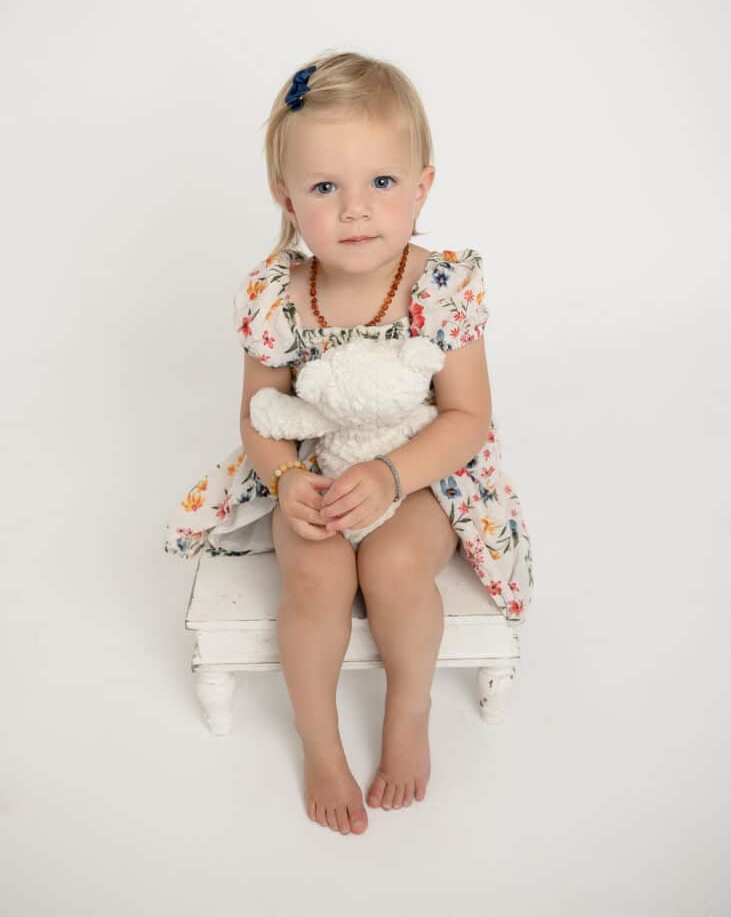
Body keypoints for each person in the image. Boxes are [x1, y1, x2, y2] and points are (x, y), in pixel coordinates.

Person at [163, 51, 534, 836]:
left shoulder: (441, 286)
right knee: (318, 574)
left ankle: (407, 711)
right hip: (317, 468)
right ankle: (319, 738)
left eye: (381, 183)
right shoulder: (275, 294)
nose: (356, 210)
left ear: (422, 186)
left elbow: (466, 418)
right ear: (286, 198)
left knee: (396, 564)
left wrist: (395, 476)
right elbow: (258, 413)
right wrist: (290, 479)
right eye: (326, 187)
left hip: (419, 473)